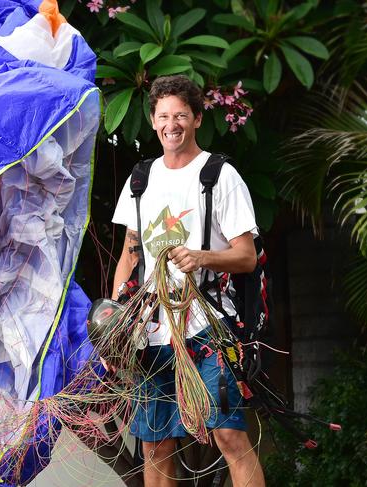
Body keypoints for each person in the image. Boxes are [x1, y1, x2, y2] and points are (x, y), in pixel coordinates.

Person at [110, 75, 266, 487]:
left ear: (197, 118)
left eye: (181, 115)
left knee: (229, 436)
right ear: (152, 120)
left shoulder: (218, 174)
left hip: (205, 328)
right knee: (155, 445)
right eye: (163, 116)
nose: (171, 124)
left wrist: (203, 257)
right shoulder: (140, 179)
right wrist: (115, 327)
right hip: (151, 330)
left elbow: (246, 256)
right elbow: (130, 255)